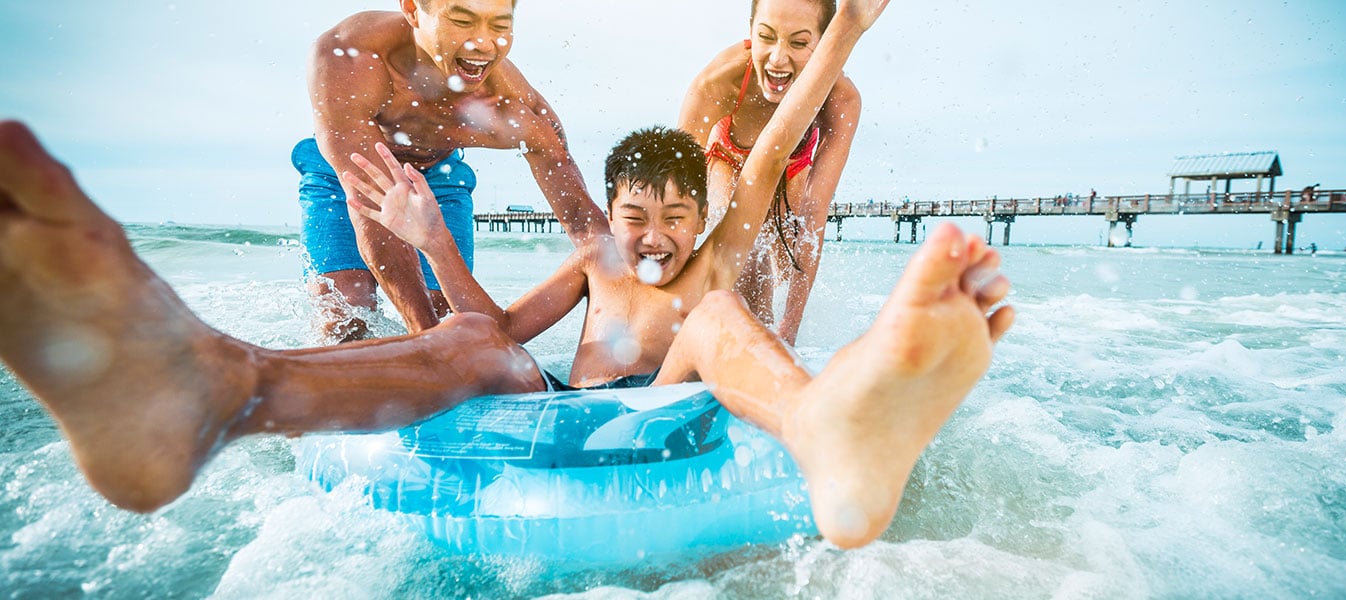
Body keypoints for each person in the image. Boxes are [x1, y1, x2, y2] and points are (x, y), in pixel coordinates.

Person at [0, 0, 1014, 550]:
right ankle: (218, 389)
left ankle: (824, 430)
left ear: (702, 216)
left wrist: (846, 31)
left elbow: (774, 144)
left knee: (708, 325)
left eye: (672, 219)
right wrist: (432, 244)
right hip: (570, 408)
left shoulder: (714, 258)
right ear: (608, 217)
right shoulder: (596, 265)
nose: (650, 238)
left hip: (665, 409)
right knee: (471, 340)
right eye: (631, 218)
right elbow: (489, 332)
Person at [298, 0, 607, 343]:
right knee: (344, 322)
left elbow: (586, 225)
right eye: (462, 21)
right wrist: (426, 340)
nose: (484, 44)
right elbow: (372, 201)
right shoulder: (348, 56)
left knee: (446, 316)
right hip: (343, 175)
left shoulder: (515, 108)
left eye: (500, 26)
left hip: (439, 176)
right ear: (413, 10)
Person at [679, 0, 861, 345]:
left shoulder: (841, 98)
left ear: (825, 45)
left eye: (798, 42)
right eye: (766, 37)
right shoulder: (718, 82)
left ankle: (770, 343)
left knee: (783, 264)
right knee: (746, 266)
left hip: (793, 167)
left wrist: (789, 330)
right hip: (730, 159)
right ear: (751, 32)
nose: (778, 59)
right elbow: (675, 191)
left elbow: (813, 217)